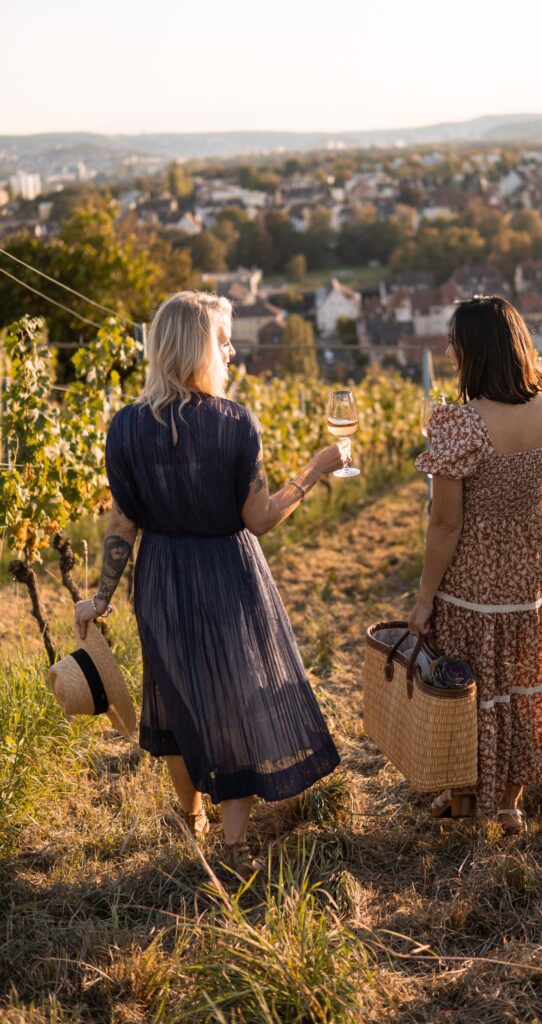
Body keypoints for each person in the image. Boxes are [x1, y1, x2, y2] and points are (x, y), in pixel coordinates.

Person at [74, 291, 343, 875]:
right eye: (223, 341)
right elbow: (261, 519)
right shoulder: (236, 425)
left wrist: (102, 596)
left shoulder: (125, 429)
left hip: (163, 576)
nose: (231, 351)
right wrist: (316, 470)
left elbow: (123, 523)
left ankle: (192, 818)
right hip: (229, 573)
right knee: (236, 698)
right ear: (198, 348)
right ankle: (234, 845)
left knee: (175, 699)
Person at [407, 295, 542, 835]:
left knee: (468, 687)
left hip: (471, 580)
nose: (449, 351)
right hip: (526, 576)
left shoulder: (460, 425)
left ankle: (463, 795)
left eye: (454, 343)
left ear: (474, 351)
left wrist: (425, 596)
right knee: (521, 684)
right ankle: (509, 806)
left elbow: (446, 525)